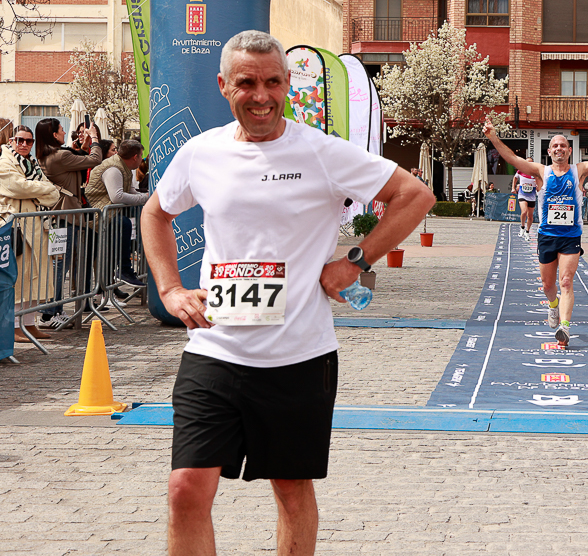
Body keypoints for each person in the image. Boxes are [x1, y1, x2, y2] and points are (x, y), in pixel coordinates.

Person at [141, 30, 435, 556]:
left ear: (287, 85)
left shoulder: (320, 152)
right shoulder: (201, 152)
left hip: (299, 356)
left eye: (273, 82)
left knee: (291, 490)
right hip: (215, 350)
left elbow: (414, 195)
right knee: (185, 488)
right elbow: (155, 213)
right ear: (223, 85)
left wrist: (355, 261)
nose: (262, 96)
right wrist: (169, 288)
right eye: (247, 83)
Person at [483, 116, 588, 346]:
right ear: (549, 151)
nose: (559, 149)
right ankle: (553, 306)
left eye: (563, 146)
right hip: (547, 236)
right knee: (548, 285)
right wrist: (493, 137)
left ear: (569, 150)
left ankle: (564, 328)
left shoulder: (579, 171)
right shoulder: (541, 171)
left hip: (570, 236)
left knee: (565, 281)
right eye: (555, 146)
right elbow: (513, 158)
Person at [39, 117, 102, 327]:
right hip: (66, 216)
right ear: (53, 134)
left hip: (62, 215)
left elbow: (76, 160)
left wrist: (81, 148)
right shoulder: (60, 156)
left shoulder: (49, 155)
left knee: (60, 265)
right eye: (61, 130)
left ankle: (54, 310)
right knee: (60, 266)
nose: (65, 133)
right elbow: (95, 159)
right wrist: (94, 138)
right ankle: (49, 313)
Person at [1, 123, 60, 343]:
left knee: (35, 277)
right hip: (15, 228)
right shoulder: (5, 161)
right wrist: (43, 189)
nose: (24, 144)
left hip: (36, 226)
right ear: (12, 141)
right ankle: (14, 326)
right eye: (20, 140)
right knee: (19, 278)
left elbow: (53, 196)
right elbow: (16, 187)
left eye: (29, 141)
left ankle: (29, 322)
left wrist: (36, 189)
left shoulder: (32, 163)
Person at [84, 138, 148, 289]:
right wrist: (145, 198)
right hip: (98, 215)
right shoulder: (114, 169)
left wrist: (146, 196)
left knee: (119, 233)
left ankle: (113, 280)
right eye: (141, 156)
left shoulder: (124, 168)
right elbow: (117, 197)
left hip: (108, 213)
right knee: (123, 224)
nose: (142, 159)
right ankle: (124, 270)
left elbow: (129, 191)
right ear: (135, 157)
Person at [510, 153, 539, 240]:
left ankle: (527, 231)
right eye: (527, 162)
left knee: (530, 216)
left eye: (530, 163)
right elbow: (515, 178)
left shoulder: (535, 172)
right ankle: (522, 227)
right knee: (524, 212)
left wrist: (538, 185)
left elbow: (539, 183)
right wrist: (513, 188)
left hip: (532, 196)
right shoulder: (520, 170)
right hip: (522, 194)